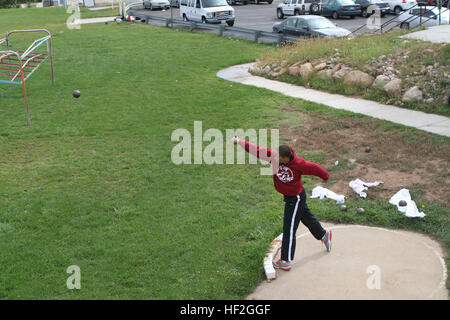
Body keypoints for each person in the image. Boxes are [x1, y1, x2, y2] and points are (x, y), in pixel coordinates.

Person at [232, 137, 332, 271]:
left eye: (279, 158)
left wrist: (325, 176)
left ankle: (285, 260)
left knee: (289, 228)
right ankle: (323, 235)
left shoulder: (298, 164)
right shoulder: (273, 156)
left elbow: (314, 167)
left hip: (295, 198)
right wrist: (239, 142)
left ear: (286, 158)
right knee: (306, 218)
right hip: (290, 197)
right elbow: (256, 150)